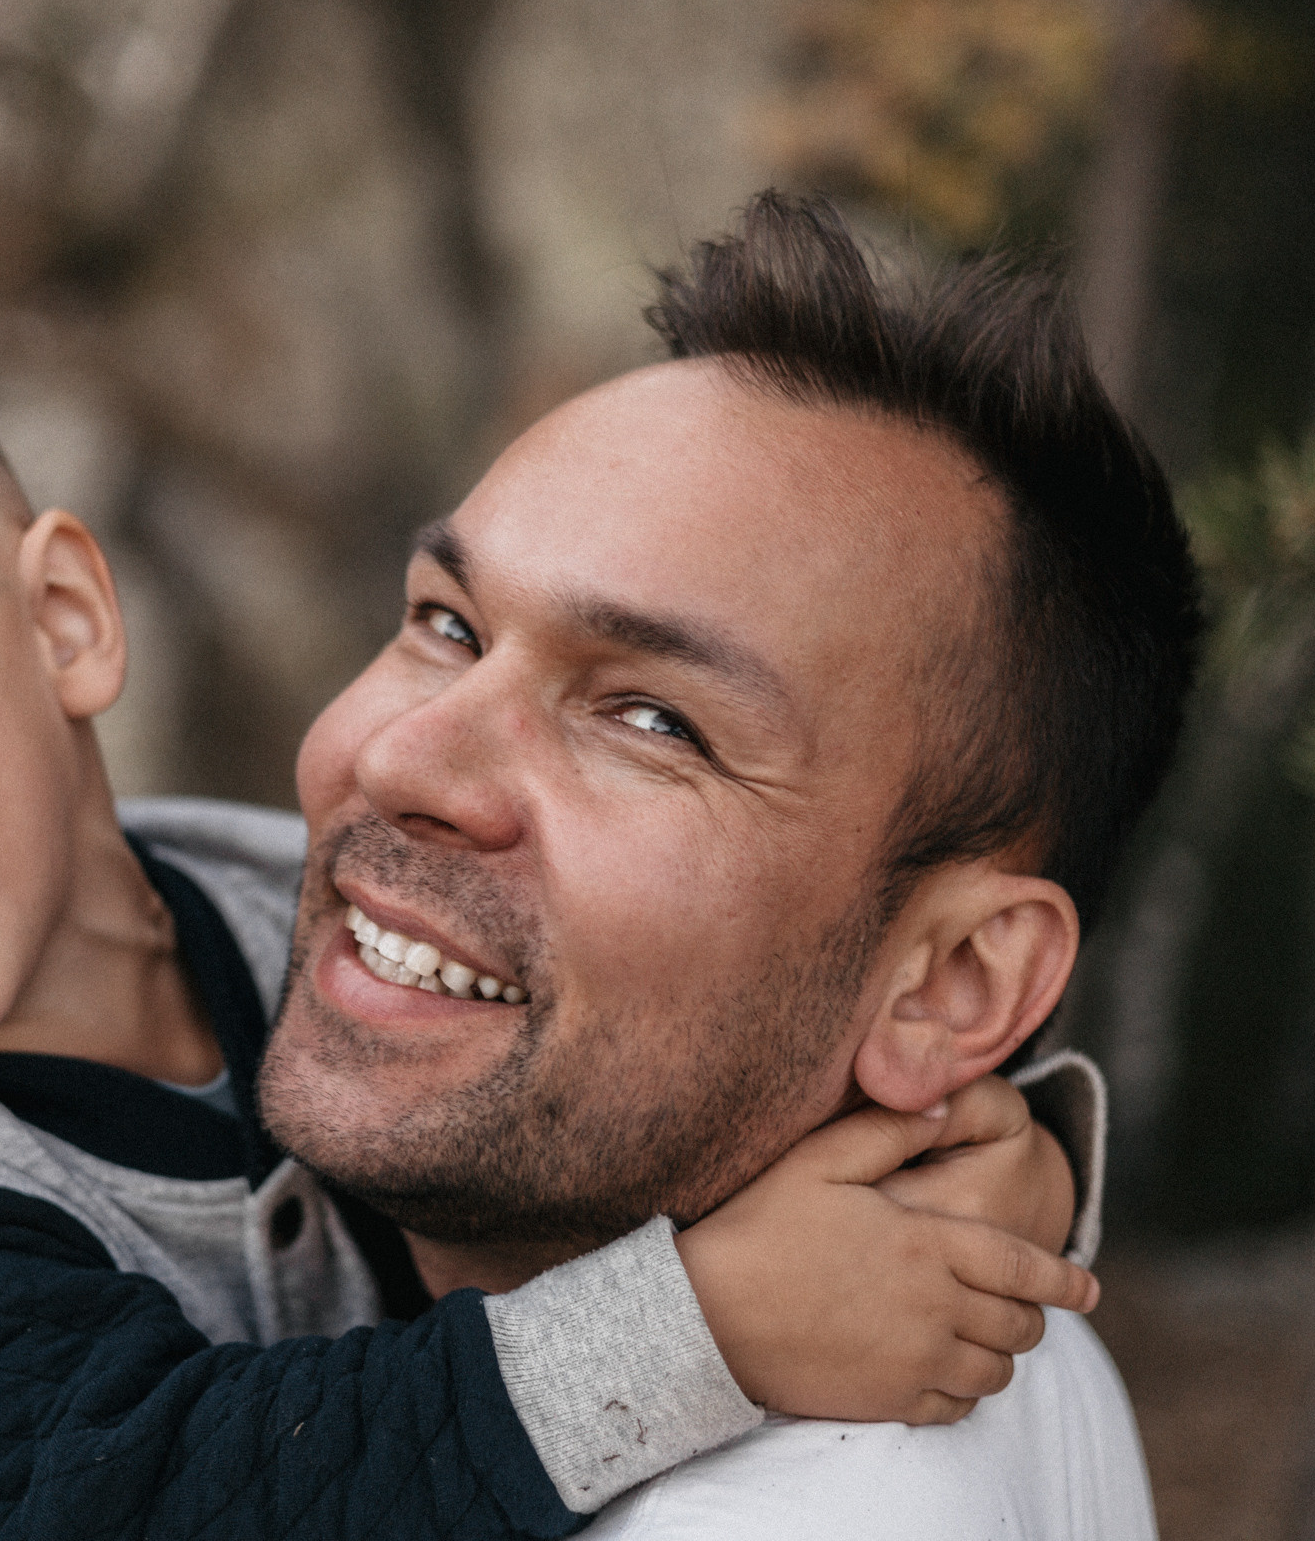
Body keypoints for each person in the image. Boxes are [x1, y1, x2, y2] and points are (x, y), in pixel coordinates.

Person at [0, 280, 1107, 1541]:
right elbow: (187, 1495)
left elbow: (662, 1082)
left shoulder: (275, 902)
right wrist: (706, 1330)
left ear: (65, 626)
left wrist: (968, 1155)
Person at [254, 190, 1201, 1538]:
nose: (402, 764)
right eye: (449, 626)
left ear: (953, 984)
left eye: (653, 721)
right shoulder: (951, 1318)